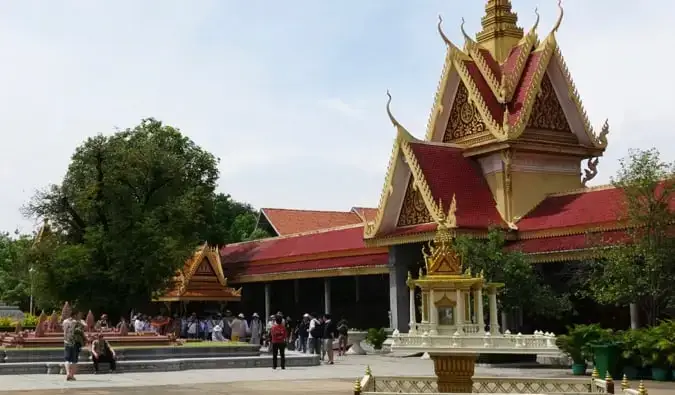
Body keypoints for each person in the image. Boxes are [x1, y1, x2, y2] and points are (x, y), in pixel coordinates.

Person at [62, 310, 81, 381]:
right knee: (74, 360)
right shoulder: (76, 322)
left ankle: (68, 374)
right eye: (78, 315)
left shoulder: (64, 322)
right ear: (75, 315)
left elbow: (63, 330)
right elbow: (83, 328)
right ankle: (72, 375)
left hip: (66, 342)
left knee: (67, 359)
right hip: (74, 342)